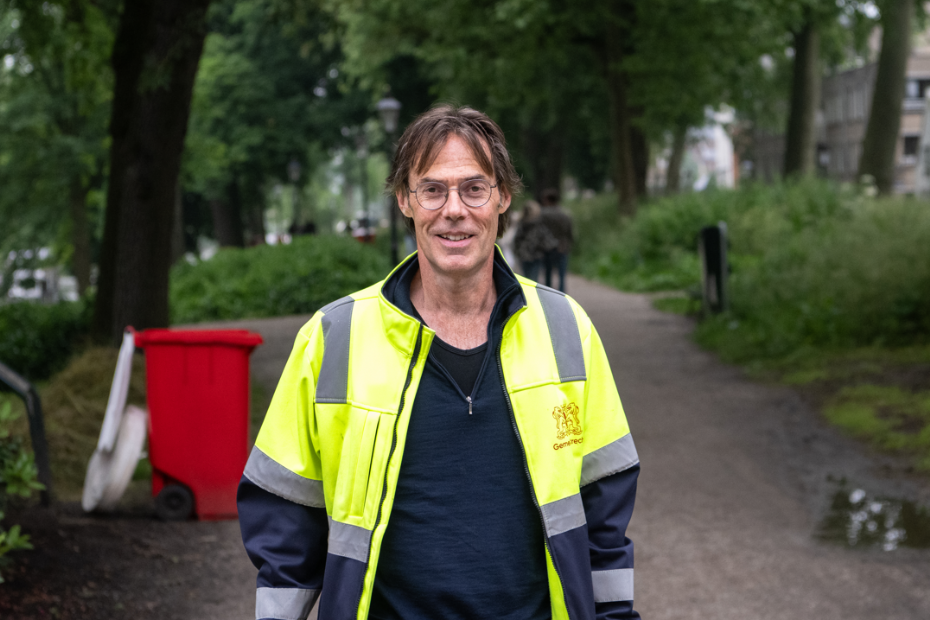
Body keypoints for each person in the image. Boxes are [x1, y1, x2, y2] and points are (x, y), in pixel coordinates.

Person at [237, 105, 641, 620]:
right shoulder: (332, 337)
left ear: (503, 197)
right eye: (433, 190)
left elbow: (605, 512)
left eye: (474, 188)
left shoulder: (566, 327)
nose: (454, 209)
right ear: (405, 200)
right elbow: (283, 513)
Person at [539, 187, 574, 293]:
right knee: (562, 274)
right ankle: (562, 295)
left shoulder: (542, 214)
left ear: (547, 199)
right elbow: (569, 232)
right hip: (562, 246)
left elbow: (539, 231)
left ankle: (549, 294)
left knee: (548, 273)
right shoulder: (565, 214)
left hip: (547, 247)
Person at [513, 199, 555, 282]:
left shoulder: (521, 223)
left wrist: (517, 251)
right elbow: (544, 239)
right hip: (536, 254)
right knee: (533, 279)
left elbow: (517, 239)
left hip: (523, 254)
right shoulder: (538, 224)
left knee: (525, 278)